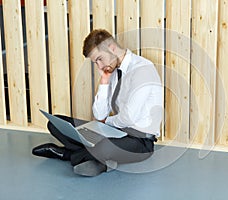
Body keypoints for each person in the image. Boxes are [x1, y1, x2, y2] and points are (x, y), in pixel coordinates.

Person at [32, 29, 163, 177]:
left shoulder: (142, 70)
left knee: (104, 147)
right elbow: (99, 114)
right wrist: (105, 81)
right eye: (95, 63)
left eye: (100, 59)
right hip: (115, 131)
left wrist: (104, 123)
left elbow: (128, 118)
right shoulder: (112, 70)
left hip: (139, 142)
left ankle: (66, 154)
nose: (99, 67)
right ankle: (100, 161)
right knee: (55, 123)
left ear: (112, 48)